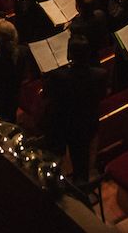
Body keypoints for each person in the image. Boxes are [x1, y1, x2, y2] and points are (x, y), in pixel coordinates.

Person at [43, 37, 108, 181]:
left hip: (64, 126)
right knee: (81, 163)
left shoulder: (58, 76)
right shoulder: (100, 75)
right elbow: (101, 96)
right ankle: (81, 185)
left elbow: (49, 95)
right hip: (87, 125)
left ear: (68, 55)